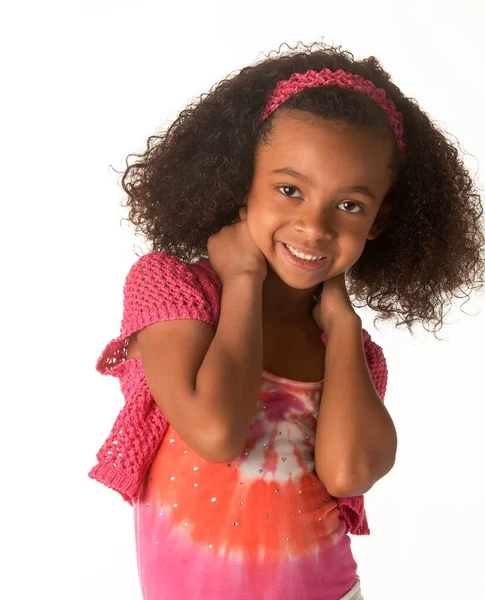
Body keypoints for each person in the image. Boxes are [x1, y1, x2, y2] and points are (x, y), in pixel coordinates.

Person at [89, 41, 485, 600]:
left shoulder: (346, 347)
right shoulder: (174, 289)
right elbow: (215, 431)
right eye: (289, 189)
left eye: (349, 205)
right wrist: (243, 283)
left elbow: (349, 474)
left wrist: (345, 327)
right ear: (240, 180)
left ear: (377, 220)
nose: (313, 226)